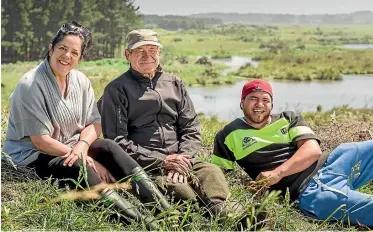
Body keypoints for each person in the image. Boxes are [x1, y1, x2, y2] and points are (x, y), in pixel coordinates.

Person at [2, 21, 175, 230]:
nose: (67, 56)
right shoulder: (30, 85)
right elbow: (41, 141)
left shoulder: (80, 80)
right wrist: (84, 158)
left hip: (71, 145)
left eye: (74, 52)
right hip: (34, 155)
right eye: (62, 49)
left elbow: (95, 122)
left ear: (80, 57)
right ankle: (147, 225)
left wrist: (83, 146)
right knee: (78, 166)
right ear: (51, 48)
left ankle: (167, 214)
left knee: (109, 147)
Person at [98, 29, 242, 219]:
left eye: (152, 49)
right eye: (140, 50)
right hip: (147, 165)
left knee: (211, 172)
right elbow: (117, 141)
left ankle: (226, 214)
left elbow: (191, 126)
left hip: (182, 159)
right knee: (181, 191)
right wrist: (163, 161)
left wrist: (183, 157)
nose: (147, 55)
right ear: (127, 54)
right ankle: (201, 216)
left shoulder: (174, 83)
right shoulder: (116, 90)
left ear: (159, 53)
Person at [211, 79, 373, 227]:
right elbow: (218, 176)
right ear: (242, 103)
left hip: (335, 160)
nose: (259, 104)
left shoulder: (288, 118)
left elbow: (313, 150)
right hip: (311, 189)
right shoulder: (227, 135)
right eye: (253, 98)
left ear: (272, 105)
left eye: (265, 100)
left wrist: (277, 173)